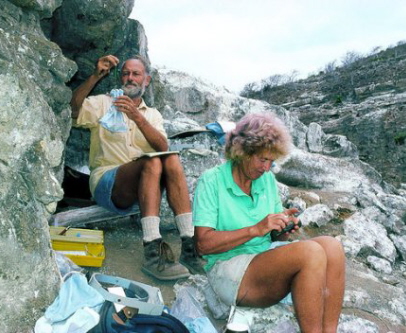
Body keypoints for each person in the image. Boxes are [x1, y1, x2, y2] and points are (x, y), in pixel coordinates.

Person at [193, 112, 345, 332]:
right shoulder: (212, 180)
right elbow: (203, 245)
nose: (266, 168)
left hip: (263, 258)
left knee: (332, 246)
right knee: (311, 252)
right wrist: (256, 229)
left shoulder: (267, 181)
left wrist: (284, 227)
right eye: (262, 159)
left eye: (271, 161)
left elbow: (275, 236)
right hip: (227, 269)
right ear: (242, 151)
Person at [70, 54, 205, 281]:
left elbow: (163, 145)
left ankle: (190, 247)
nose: (129, 78)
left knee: (170, 158)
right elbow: (73, 109)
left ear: (146, 80)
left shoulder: (152, 114)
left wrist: (137, 117)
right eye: (125, 73)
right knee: (151, 161)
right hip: (108, 185)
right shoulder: (105, 103)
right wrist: (96, 76)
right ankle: (153, 253)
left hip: (143, 188)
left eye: (136, 74)